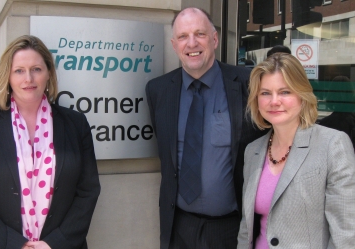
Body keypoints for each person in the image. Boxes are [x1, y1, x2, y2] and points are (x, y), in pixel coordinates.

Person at [145, 7, 265, 249]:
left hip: (231, 228)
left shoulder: (247, 84)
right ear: (174, 44)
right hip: (178, 227)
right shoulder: (158, 90)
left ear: (215, 38)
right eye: (183, 36)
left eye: (199, 34)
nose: (191, 43)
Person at [0, 35, 101, 249]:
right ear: (7, 76)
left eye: (36, 69)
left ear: (48, 74)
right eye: (19, 70)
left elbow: (88, 190)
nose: (28, 78)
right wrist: (12, 243)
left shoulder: (75, 124)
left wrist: (54, 243)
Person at [237, 53, 355, 249]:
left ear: (302, 95)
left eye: (284, 92)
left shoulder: (333, 145)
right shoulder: (253, 151)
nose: (274, 101)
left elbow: (346, 235)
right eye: (265, 93)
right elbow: (247, 228)